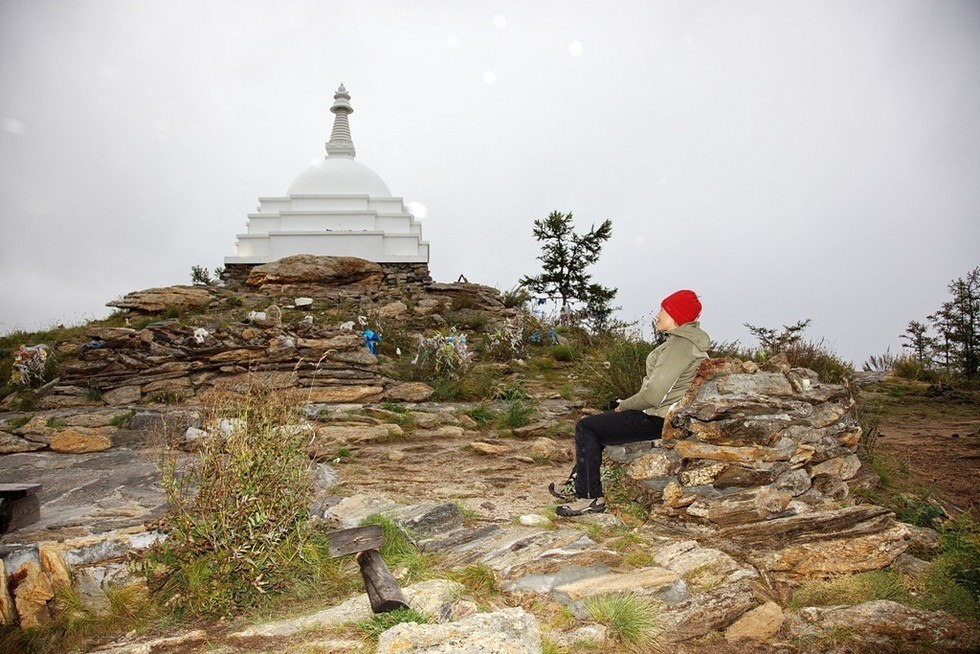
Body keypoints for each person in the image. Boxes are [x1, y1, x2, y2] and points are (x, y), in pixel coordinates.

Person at [552, 289, 710, 516]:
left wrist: (625, 405)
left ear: (676, 317)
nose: (657, 315)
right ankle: (574, 484)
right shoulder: (683, 343)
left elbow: (655, 394)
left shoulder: (680, 346)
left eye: (663, 310)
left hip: (659, 419)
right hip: (664, 415)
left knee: (586, 427)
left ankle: (588, 497)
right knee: (601, 423)